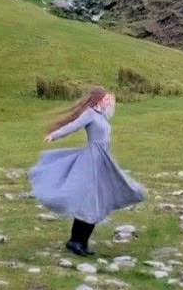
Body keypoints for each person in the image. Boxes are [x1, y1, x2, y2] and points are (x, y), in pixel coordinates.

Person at [29, 85, 146, 256]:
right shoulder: (90, 113)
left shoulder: (102, 116)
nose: (109, 101)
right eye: (106, 98)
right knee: (90, 202)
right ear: (98, 99)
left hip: (103, 159)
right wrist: (54, 135)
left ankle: (81, 243)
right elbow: (73, 126)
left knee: (97, 201)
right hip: (92, 159)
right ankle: (75, 241)